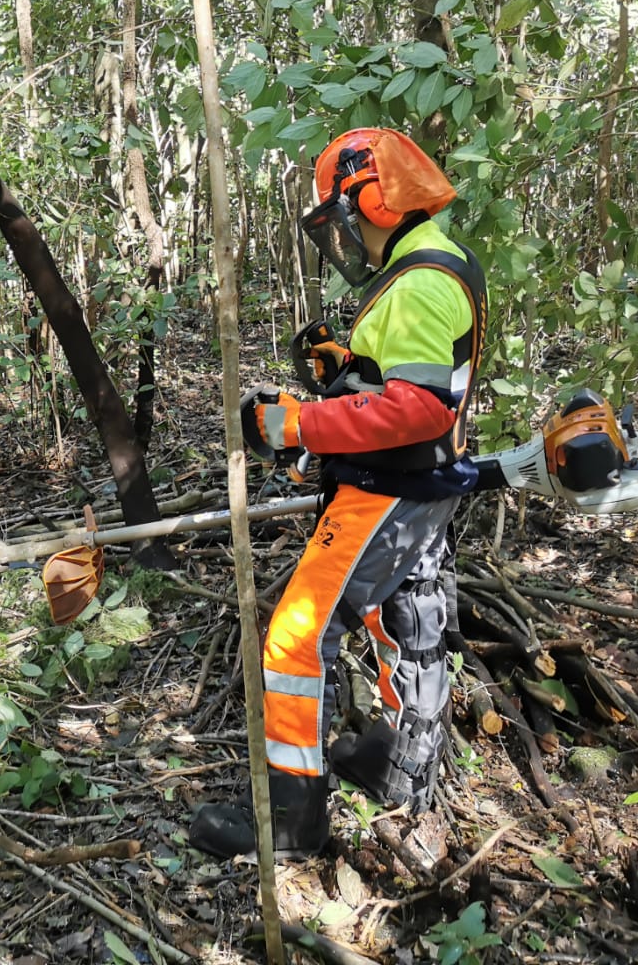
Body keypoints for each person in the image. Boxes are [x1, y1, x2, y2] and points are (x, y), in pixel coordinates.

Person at [188, 127, 488, 860]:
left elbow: (416, 408)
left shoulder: (417, 282)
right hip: (423, 487)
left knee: (294, 639)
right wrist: (349, 369)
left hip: (384, 494)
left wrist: (297, 425)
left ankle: (293, 818)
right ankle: (397, 765)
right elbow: (410, 384)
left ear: (375, 199)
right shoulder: (443, 264)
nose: (343, 239)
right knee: (406, 617)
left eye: (342, 220)